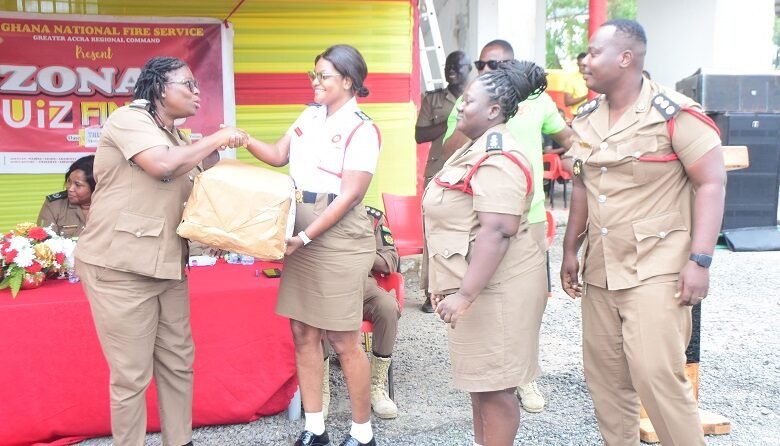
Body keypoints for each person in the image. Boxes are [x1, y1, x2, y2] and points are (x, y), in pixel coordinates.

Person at [560, 19, 725, 446]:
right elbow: (581, 182)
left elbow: (712, 182)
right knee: (607, 384)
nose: (585, 61)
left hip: (657, 267)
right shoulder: (587, 117)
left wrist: (700, 260)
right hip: (601, 267)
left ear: (626, 58)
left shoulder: (674, 113)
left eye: (595, 53)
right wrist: (569, 249)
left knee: (657, 377)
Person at [74, 56, 246, 446]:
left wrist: (215, 151)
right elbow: (161, 165)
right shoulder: (128, 120)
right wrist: (215, 139)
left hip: (167, 266)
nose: (196, 92)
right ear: (158, 88)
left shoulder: (176, 136)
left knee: (178, 364)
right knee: (131, 375)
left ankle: (179, 441)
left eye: (198, 85)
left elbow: (194, 173)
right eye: (187, 84)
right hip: (120, 268)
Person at [242, 44, 380, 446]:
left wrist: (304, 237)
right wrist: (244, 138)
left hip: (335, 234)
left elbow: (349, 195)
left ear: (348, 82)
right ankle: (314, 427)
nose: (315, 82)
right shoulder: (309, 115)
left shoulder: (362, 128)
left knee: (342, 338)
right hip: (301, 224)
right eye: (314, 74)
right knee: (303, 331)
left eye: (324, 76)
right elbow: (277, 155)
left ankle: (361, 432)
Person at [442, 39, 573, 414]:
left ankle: (522, 375)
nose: (491, 70)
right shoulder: (473, 103)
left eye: (499, 65)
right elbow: (448, 150)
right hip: (481, 222)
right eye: (484, 64)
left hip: (526, 222)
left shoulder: (537, 105)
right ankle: (505, 373)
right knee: (489, 324)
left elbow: (568, 141)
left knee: (519, 312)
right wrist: (472, 119)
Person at [424, 59, 548, 446]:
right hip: (480, 289)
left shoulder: (498, 155)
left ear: (494, 111)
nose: (460, 106)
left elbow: (497, 231)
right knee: (482, 386)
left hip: (497, 293)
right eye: (462, 99)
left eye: (469, 101)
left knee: (496, 391)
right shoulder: (474, 148)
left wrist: (463, 294)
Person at [322, 206, 401, 420]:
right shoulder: (315, 212)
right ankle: (320, 392)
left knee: (387, 306)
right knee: (314, 309)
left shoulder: (372, 218)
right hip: (325, 284)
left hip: (362, 285)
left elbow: (389, 261)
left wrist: (359, 250)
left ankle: (375, 386)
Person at [415, 50, 471, 313]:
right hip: (439, 171)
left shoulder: (478, 94)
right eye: (448, 66)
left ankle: (464, 287)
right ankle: (431, 291)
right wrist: (454, 123)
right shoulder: (434, 99)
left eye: (457, 66)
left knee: (467, 233)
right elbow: (419, 134)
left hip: (469, 172)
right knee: (433, 234)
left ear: (468, 68)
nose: (451, 70)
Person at [37, 155, 95, 238]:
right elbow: (44, 241)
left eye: (77, 185)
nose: (70, 188)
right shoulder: (54, 205)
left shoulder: (112, 206)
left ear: (95, 187)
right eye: (69, 182)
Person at [563, 52, 589, 117]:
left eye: (585, 65)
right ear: (577, 64)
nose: (583, 67)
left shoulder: (597, 77)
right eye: (581, 65)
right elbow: (567, 102)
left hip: (595, 114)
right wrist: (586, 96)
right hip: (578, 115)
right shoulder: (571, 80)